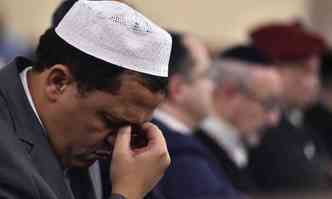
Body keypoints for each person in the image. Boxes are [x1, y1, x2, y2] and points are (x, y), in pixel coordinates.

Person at [0, 1, 172, 199]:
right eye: (112, 122)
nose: (119, 144)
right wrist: (127, 194)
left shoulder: (87, 140)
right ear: (58, 83)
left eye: (133, 131)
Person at [152, 31, 242, 199]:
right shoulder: (171, 149)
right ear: (178, 88)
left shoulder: (183, 140)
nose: (214, 86)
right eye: (207, 75)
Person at [248, 22, 331, 192]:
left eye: (316, 73)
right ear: (276, 70)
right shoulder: (260, 124)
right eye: (307, 71)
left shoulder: (308, 120)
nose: (314, 82)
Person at [195, 57, 282, 193]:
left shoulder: (248, 152)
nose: (273, 119)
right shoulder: (197, 155)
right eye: (268, 104)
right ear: (229, 93)